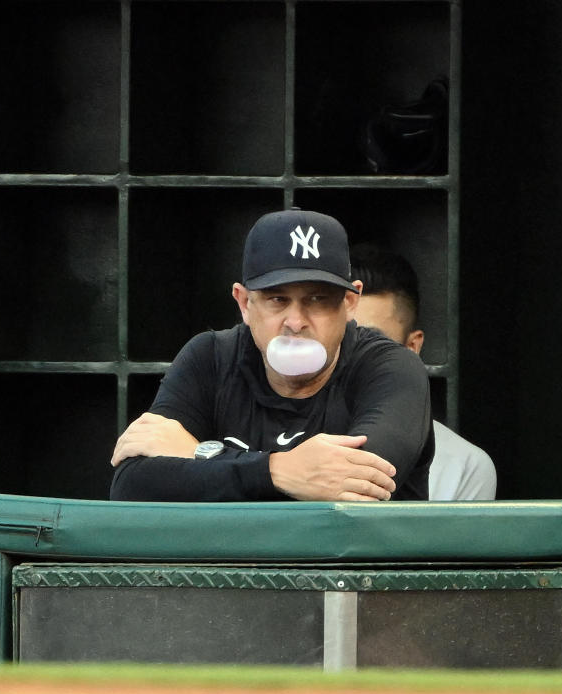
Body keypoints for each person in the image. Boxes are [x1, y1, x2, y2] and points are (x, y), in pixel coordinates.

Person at [110, 208, 433, 502]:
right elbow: (132, 486)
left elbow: (361, 483)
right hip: (226, 567)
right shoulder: (209, 356)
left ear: (350, 303)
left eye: (318, 299)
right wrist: (278, 471)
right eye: (277, 299)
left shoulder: (392, 366)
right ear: (244, 303)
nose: (296, 321)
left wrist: (197, 454)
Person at [350, 242, 497, 501]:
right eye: (342, 340)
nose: (354, 355)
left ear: (411, 348)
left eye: (373, 343)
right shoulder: (285, 445)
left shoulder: (463, 465)